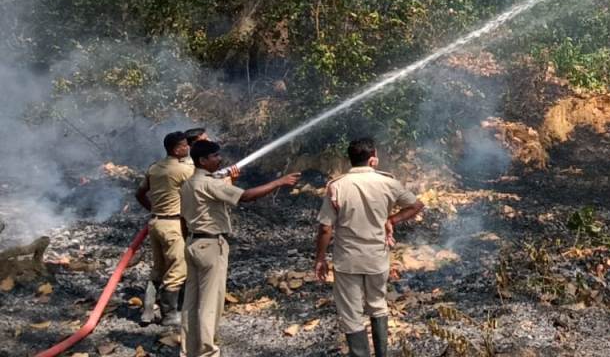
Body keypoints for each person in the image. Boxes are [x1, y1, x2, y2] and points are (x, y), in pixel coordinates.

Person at [180, 140, 300, 357]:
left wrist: (189, 242)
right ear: (202, 160)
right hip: (211, 246)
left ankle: (188, 351)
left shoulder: (189, 184)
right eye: (215, 156)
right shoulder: (209, 183)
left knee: (191, 303)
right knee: (210, 304)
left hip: (192, 243)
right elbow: (245, 197)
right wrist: (278, 182)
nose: (220, 160)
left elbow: (185, 218)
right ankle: (208, 353)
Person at [314, 137, 425, 357]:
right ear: (373, 159)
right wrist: (392, 220)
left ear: (350, 159)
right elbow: (416, 206)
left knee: (352, 315)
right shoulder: (388, 183)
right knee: (378, 304)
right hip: (377, 258)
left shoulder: (337, 186)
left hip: (347, 261)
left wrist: (320, 258)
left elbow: (325, 228)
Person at [135, 131, 194, 327]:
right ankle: (170, 315)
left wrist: (153, 209)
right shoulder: (182, 170)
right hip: (173, 225)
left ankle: (148, 310)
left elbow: (140, 193)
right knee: (178, 268)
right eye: (185, 145)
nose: (188, 148)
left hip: (155, 223)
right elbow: (203, 183)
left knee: (159, 267)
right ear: (177, 149)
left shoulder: (155, 168)